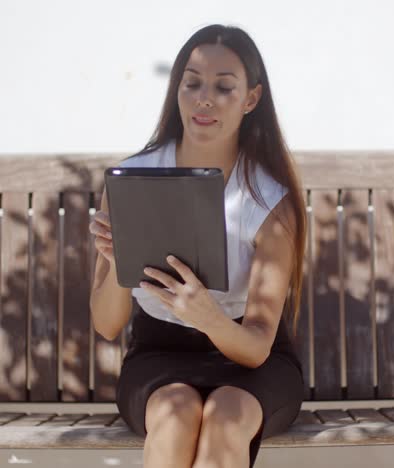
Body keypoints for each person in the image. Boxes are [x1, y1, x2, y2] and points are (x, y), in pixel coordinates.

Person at [89, 24, 307, 468]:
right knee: (175, 415)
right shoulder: (134, 177)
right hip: (158, 357)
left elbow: (257, 347)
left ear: (251, 99)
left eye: (224, 87)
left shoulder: (270, 199)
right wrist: (117, 263)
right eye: (192, 83)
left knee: (225, 417)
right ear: (177, 91)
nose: (204, 98)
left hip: (253, 363)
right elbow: (106, 325)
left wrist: (207, 316)